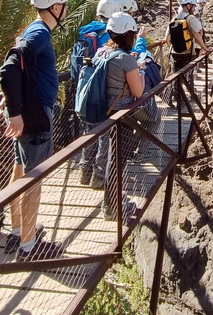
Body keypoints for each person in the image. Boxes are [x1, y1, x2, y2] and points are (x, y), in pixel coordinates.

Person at [0, 0, 68, 262]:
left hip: (26, 114)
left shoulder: (32, 30)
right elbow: (9, 68)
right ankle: (29, 247)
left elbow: (21, 68)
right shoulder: (39, 33)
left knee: (19, 169)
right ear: (56, 8)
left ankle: (17, 231)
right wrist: (14, 109)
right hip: (33, 117)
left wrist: (12, 99)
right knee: (33, 179)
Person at [98, 12, 145, 220]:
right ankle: (113, 207)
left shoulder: (103, 52)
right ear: (128, 35)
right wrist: (141, 72)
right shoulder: (126, 60)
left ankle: (113, 201)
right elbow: (138, 92)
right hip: (122, 116)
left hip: (104, 112)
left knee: (112, 158)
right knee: (118, 161)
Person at [78, 0, 123, 189]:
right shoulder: (107, 35)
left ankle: (84, 171)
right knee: (104, 135)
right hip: (102, 92)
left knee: (88, 132)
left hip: (84, 90)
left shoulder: (86, 31)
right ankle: (98, 176)